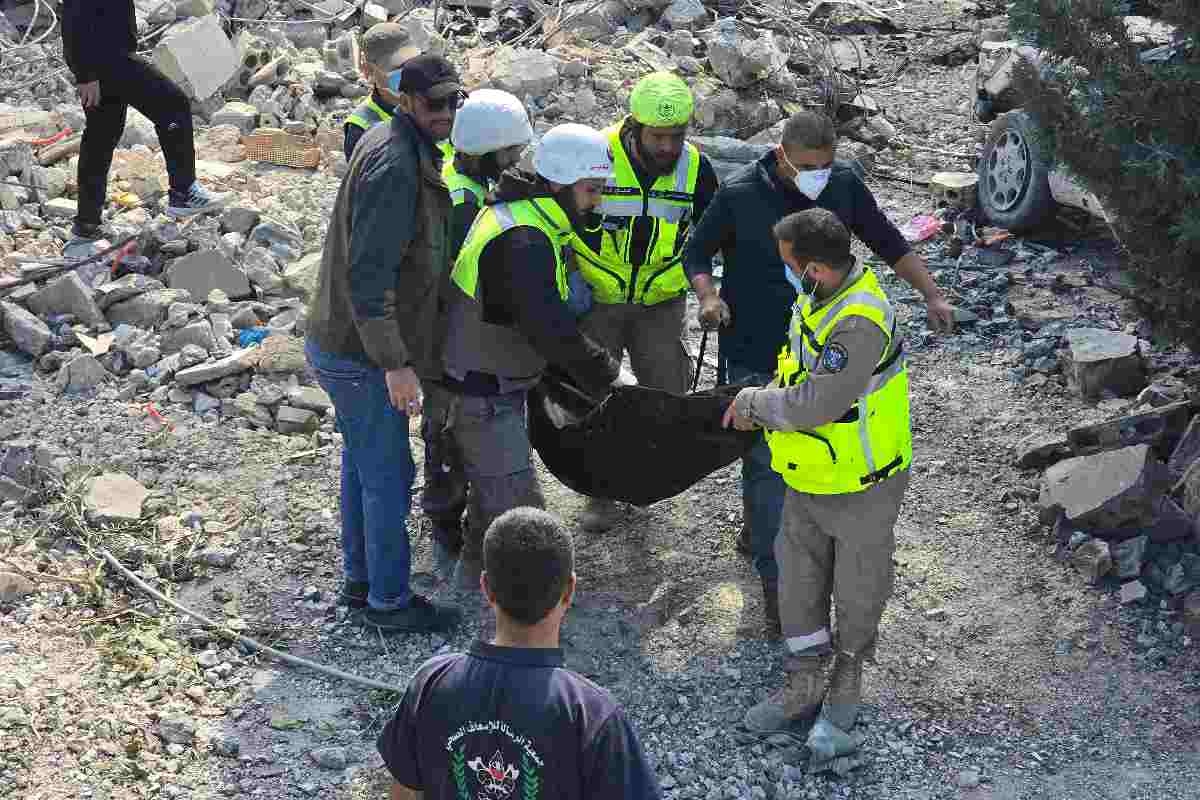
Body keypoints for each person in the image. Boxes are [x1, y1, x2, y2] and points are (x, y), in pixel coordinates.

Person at [683, 110, 949, 637]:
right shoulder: (740, 194)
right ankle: (774, 581)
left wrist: (932, 293)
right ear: (782, 155)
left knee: (811, 450)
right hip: (757, 346)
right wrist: (709, 296)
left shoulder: (844, 185)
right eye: (809, 166)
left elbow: (888, 241)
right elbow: (696, 250)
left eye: (826, 165)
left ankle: (777, 540)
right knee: (763, 463)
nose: (819, 175)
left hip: (822, 352)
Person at [721, 208, 911, 735]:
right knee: (799, 581)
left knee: (858, 587)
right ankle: (804, 680)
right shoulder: (818, 297)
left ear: (817, 269)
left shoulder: (859, 323)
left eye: (789, 264)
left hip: (862, 483)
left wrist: (754, 404)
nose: (785, 273)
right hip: (808, 473)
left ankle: (847, 676)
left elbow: (818, 401)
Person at [305, 54, 465, 634]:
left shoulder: (397, 143)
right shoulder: (396, 164)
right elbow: (368, 280)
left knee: (364, 466)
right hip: (359, 352)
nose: (446, 113)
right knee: (389, 474)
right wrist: (396, 364)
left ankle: (363, 582)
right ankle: (389, 604)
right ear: (406, 102)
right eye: (434, 104)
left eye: (454, 101)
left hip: (345, 343)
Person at [433, 123, 623, 609]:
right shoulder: (524, 239)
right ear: (558, 183)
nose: (596, 202)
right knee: (524, 514)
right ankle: (534, 619)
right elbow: (548, 327)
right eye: (591, 190)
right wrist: (608, 376)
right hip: (481, 392)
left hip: (490, 383)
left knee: (490, 503)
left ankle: (467, 598)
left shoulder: (523, 216)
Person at [377, 506, 663, 800]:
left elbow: (402, 793)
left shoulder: (431, 682)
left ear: (486, 587)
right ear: (570, 591)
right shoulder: (592, 714)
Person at [570, 71, 720, 533]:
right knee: (595, 397)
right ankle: (598, 492)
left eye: (677, 137)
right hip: (599, 301)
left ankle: (640, 480)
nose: (668, 148)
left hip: (660, 303)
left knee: (662, 395)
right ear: (634, 128)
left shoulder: (696, 169)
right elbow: (558, 218)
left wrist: (709, 292)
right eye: (659, 137)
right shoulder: (594, 155)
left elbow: (712, 235)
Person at [421, 89, 534, 582]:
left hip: (448, 339)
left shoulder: (460, 180)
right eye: (512, 154)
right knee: (448, 434)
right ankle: (449, 526)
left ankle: (453, 523)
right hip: (450, 342)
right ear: (490, 152)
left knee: (451, 434)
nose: (518, 162)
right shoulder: (463, 199)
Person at [60, 0, 231, 245]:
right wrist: (84, 73)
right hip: (110, 60)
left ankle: (85, 228)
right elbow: (73, 15)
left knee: (101, 137)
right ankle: (183, 192)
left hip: (107, 58)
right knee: (174, 107)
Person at [343, 23, 421, 160]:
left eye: (413, 62)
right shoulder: (361, 127)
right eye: (398, 66)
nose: (408, 71)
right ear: (369, 71)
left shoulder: (433, 99)